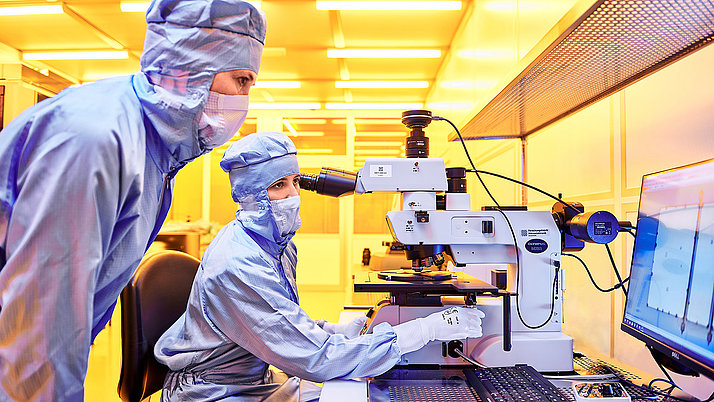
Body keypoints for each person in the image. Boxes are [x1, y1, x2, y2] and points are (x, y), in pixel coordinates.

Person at [0, 1, 266, 399]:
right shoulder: (97, 140)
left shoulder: (155, 149)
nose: (244, 99)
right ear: (193, 68)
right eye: (242, 80)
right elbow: (38, 340)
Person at [154, 132, 486, 401]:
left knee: (344, 392)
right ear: (250, 194)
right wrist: (422, 330)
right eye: (278, 185)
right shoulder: (238, 264)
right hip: (213, 393)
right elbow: (314, 358)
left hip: (255, 379)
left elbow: (283, 322)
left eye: (296, 182)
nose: (294, 194)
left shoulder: (278, 246)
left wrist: (343, 330)